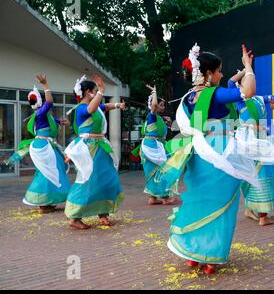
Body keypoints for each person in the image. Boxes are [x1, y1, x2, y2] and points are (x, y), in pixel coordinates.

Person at [160, 44, 258, 274]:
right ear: (208, 74)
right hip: (219, 153)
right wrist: (248, 68)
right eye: (219, 71)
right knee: (221, 204)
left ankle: (193, 253)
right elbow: (248, 91)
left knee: (200, 201)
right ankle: (211, 257)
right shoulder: (213, 94)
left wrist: (241, 72)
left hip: (199, 153)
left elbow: (230, 86)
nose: (222, 76)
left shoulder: (188, 98)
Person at [64, 74, 126, 230]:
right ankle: (75, 216)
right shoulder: (81, 109)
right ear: (88, 92)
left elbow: (104, 107)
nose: (96, 93)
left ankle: (103, 213)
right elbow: (92, 108)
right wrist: (102, 90)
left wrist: (118, 105)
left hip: (100, 147)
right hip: (89, 148)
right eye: (94, 91)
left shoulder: (95, 106)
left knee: (108, 178)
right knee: (88, 180)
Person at [5, 75, 70, 214]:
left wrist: (61, 121)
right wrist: (45, 84)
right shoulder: (40, 113)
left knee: (51, 171)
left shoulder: (42, 115)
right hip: (43, 146)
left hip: (44, 145)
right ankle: (42, 203)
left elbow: (53, 121)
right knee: (49, 172)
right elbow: (50, 103)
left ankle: (47, 201)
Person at [228, 69, 274, 226]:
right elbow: (230, 83)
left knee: (257, 173)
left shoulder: (259, 99)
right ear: (242, 85)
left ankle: (250, 209)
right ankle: (263, 216)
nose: (251, 83)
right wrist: (246, 69)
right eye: (247, 81)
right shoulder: (240, 98)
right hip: (248, 140)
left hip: (261, 139)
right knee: (259, 173)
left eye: (253, 80)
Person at [139, 84, 177, 205]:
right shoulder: (152, 116)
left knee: (152, 172)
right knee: (163, 170)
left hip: (149, 146)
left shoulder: (155, 118)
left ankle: (153, 197)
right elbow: (154, 106)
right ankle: (165, 197)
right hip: (153, 148)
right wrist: (154, 93)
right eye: (161, 105)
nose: (163, 107)